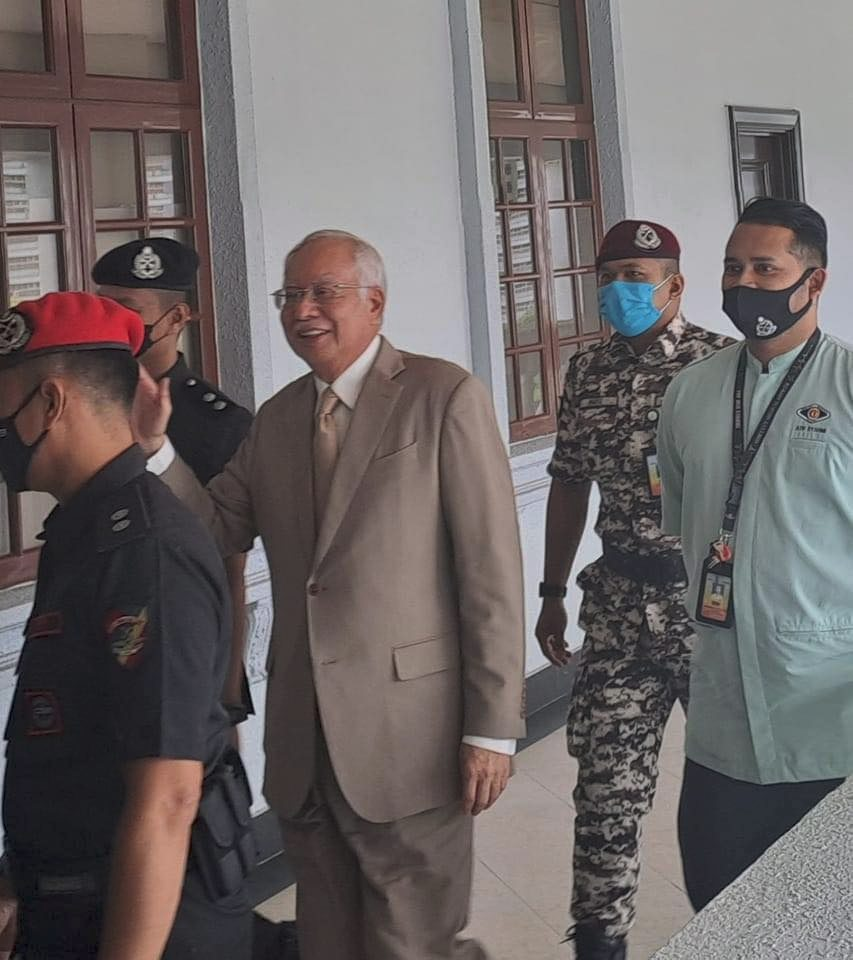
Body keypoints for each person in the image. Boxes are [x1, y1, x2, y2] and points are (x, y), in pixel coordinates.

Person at [134, 229, 526, 960]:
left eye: (323, 292)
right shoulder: (278, 419)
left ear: (374, 303)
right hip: (304, 741)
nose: (302, 310)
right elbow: (216, 523)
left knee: (410, 942)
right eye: (290, 295)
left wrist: (491, 728)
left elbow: (489, 571)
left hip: (413, 738)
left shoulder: (441, 396)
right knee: (326, 942)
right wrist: (157, 450)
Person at [0, 292, 252, 958]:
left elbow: (168, 797)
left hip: (149, 926)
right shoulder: (82, 530)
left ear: (50, 405)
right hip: (74, 907)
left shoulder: (146, 551)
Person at [535, 221, 732, 959]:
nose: (619, 289)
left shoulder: (720, 366)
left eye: (636, 276)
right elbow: (566, 484)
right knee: (605, 800)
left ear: (674, 285)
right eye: (608, 274)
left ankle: (743, 929)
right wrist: (551, 590)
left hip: (706, 615)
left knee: (727, 796)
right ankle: (599, 943)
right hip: (617, 608)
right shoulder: (586, 372)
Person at [657, 198, 851, 911]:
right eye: (732, 268)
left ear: (814, 281)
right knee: (722, 913)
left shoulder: (847, 387)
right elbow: (683, 517)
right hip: (720, 722)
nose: (744, 283)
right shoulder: (688, 393)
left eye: (764, 268)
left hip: (832, 725)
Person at [93, 237, 255, 728]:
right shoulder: (93, 405)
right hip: (98, 623)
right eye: (102, 307)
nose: (112, 323)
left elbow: (229, 569)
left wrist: (226, 689)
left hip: (181, 638)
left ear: (177, 319)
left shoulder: (218, 423)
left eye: (127, 310)